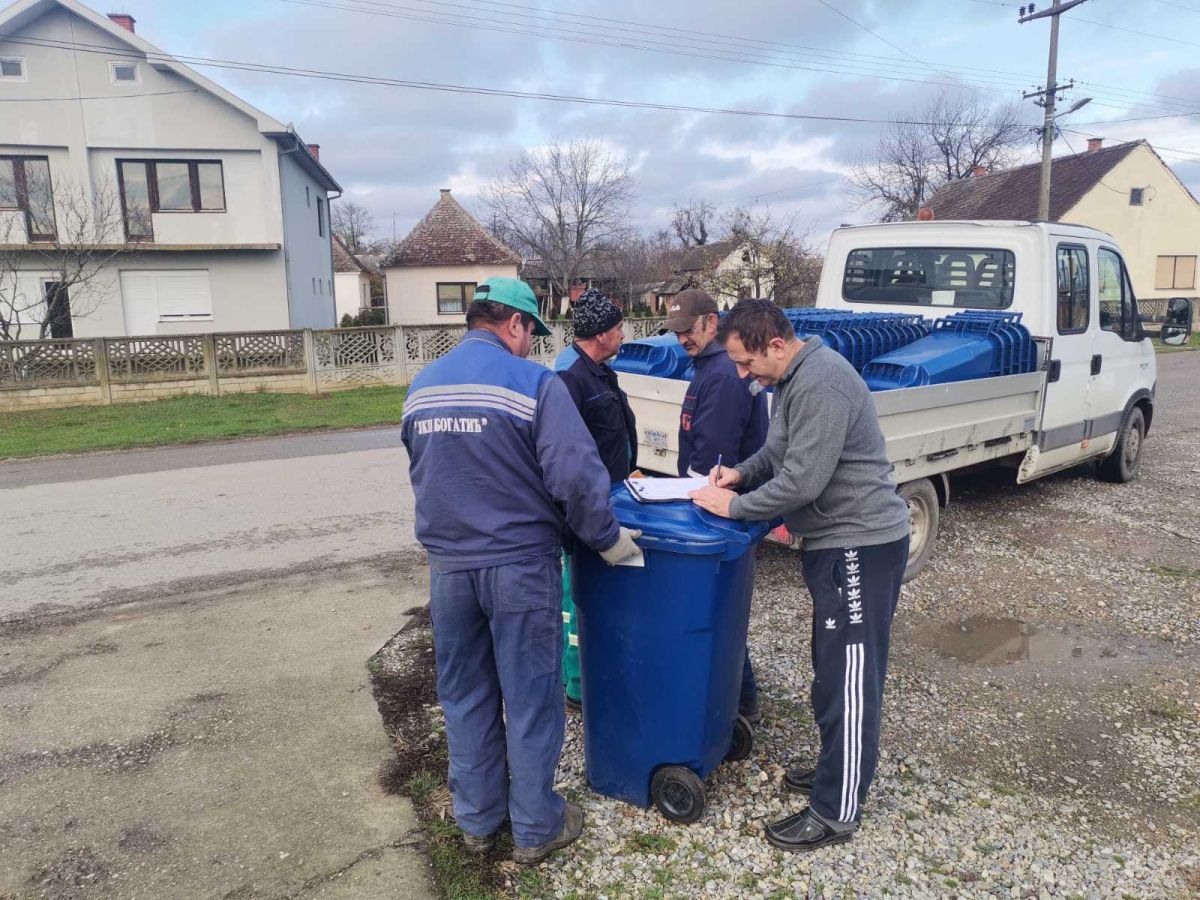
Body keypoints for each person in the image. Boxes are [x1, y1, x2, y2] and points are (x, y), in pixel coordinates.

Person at [401, 277, 642, 865]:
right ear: (514, 323)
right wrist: (608, 539)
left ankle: (478, 822)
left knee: (464, 693)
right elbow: (576, 476)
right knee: (531, 695)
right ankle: (536, 827)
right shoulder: (535, 384)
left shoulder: (422, 387)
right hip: (518, 568)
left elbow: (424, 469)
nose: (531, 342)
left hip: (449, 570)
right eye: (531, 331)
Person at [689, 299, 910, 852]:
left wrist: (731, 507)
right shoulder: (793, 380)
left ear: (777, 346)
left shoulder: (822, 384)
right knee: (827, 668)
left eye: (745, 363)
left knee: (848, 678)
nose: (742, 375)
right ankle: (841, 770)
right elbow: (779, 453)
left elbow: (803, 482)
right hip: (835, 543)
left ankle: (837, 809)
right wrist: (740, 473)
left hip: (860, 543)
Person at [663, 289, 768, 725]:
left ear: (711, 322)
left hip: (716, 507)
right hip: (708, 500)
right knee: (717, 604)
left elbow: (716, 458)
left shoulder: (723, 375)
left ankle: (737, 701)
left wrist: (694, 505)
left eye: (689, 329)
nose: (682, 337)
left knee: (713, 604)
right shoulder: (708, 367)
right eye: (676, 331)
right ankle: (734, 695)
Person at [553, 287, 638, 710]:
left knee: (601, 598)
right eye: (618, 327)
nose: (624, 334)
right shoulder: (572, 380)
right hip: (586, 514)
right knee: (577, 601)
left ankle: (597, 670)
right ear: (601, 333)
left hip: (611, 501)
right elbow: (568, 459)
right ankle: (576, 685)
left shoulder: (601, 371)